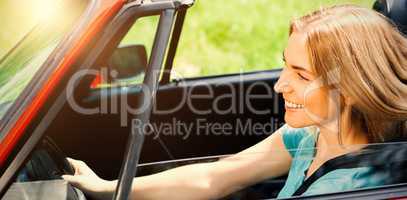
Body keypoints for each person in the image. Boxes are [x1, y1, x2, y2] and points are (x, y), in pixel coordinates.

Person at [62, 4, 407, 200]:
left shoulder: (347, 189)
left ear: (351, 88)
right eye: (285, 64)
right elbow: (215, 178)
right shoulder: (311, 136)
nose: (279, 85)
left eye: (301, 75)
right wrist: (109, 190)